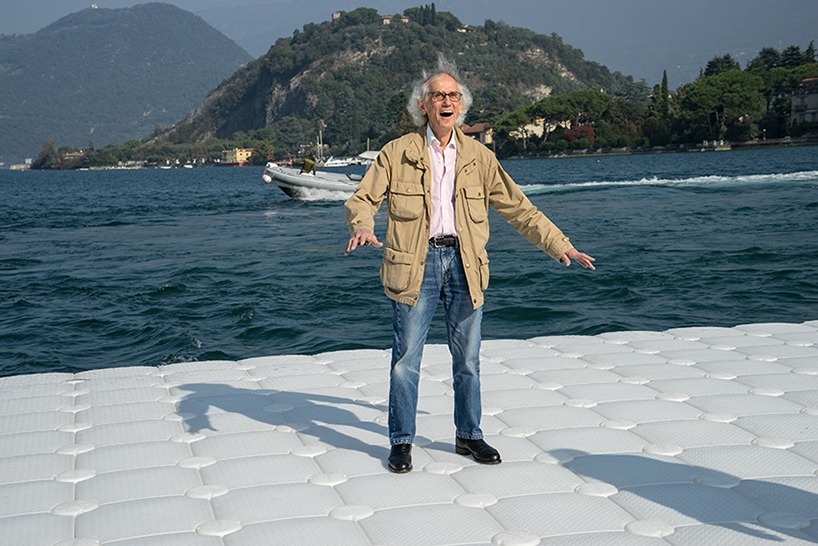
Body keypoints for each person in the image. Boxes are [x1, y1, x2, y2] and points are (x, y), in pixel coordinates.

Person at [344, 58, 596, 474]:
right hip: (415, 264)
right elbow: (363, 200)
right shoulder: (397, 153)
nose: (447, 102)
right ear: (422, 106)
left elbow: (520, 209)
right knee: (406, 358)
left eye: (453, 96)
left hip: (465, 263)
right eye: (438, 95)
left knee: (468, 360)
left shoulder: (480, 157)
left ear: (461, 106)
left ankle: (468, 435)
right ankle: (402, 441)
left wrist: (560, 246)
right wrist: (362, 226)